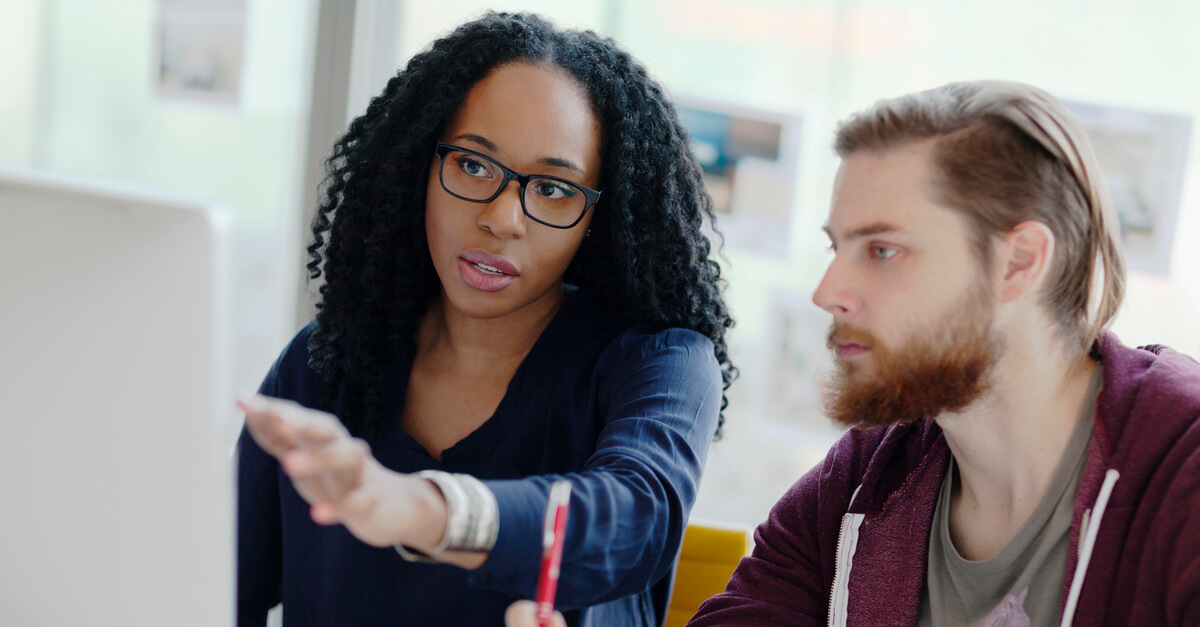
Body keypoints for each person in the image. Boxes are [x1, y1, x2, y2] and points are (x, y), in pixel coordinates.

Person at [236, 12, 736, 627]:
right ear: (418, 166)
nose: (502, 219)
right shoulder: (326, 361)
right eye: (473, 165)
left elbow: (635, 517)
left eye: (553, 189)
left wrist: (420, 508)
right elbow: (216, 587)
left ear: (597, 218)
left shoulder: (660, 363)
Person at [688, 81, 1200, 626]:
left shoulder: (1183, 479)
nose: (827, 292)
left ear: (1018, 262)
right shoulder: (863, 478)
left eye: (882, 250)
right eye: (837, 247)